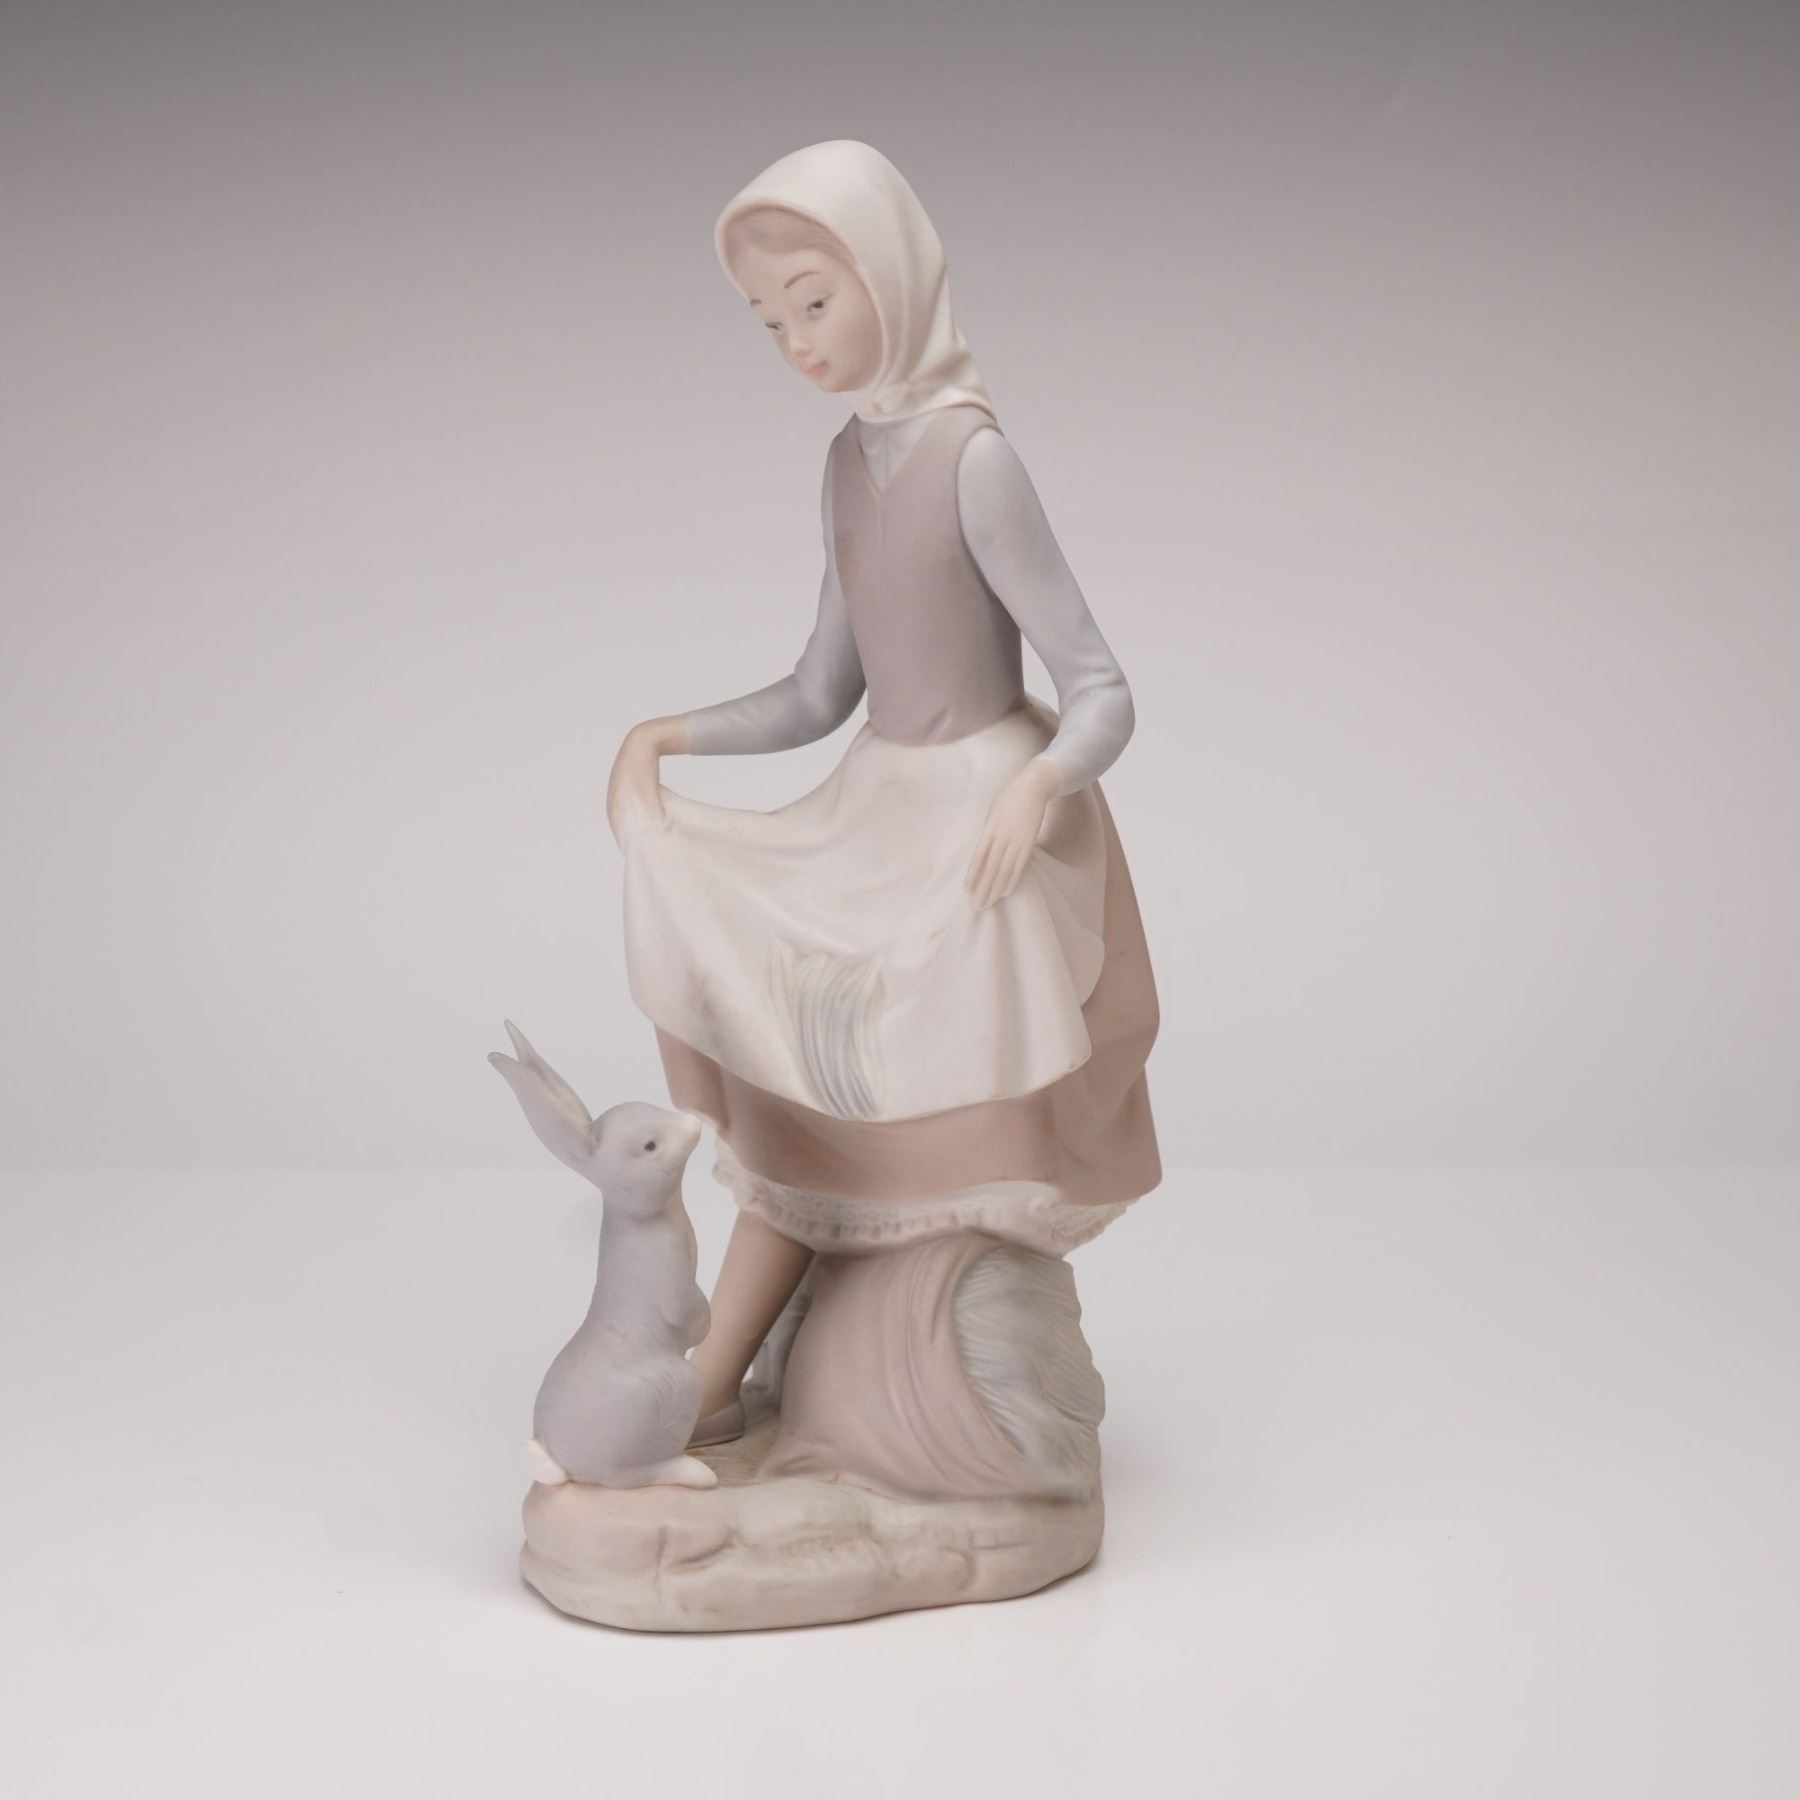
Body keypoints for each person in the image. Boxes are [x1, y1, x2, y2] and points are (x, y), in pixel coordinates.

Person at [604, 140, 1161, 1446]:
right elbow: (820, 690)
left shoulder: (974, 460)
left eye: (815, 300)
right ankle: (717, 1381)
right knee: (792, 1058)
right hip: (876, 812)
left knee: (889, 1091)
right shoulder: (846, 464)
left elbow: (1102, 687)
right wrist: (667, 734)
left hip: (977, 828)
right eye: (770, 320)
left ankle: (737, 1380)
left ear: (894, 278)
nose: (796, 340)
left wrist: (1039, 784)